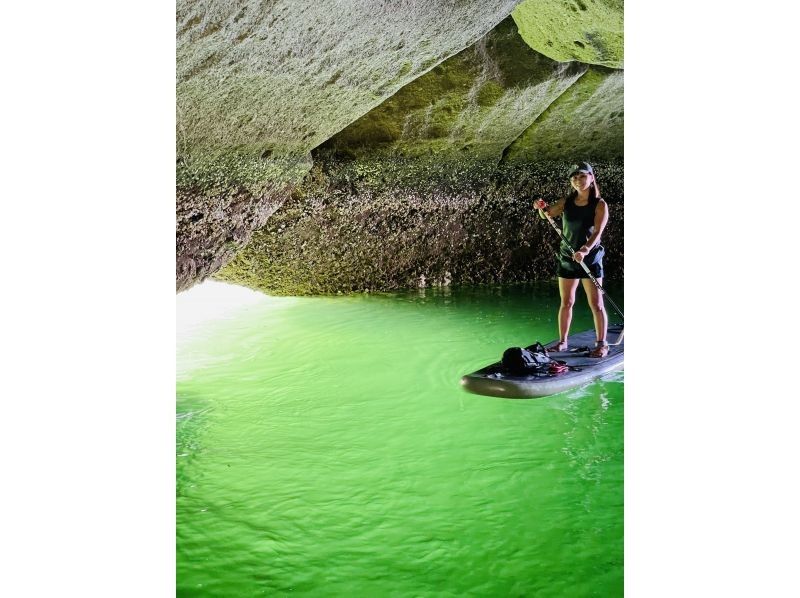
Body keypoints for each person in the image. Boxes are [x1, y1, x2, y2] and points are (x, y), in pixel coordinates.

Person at [534, 162, 610, 358]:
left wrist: (584, 250)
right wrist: (541, 208)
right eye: (574, 177)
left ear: (592, 178)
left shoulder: (599, 204)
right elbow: (547, 215)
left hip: (590, 259)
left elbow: (598, 232)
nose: (578, 180)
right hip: (568, 258)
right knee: (566, 302)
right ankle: (562, 342)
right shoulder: (566, 202)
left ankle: (602, 344)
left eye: (582, 176)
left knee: (597, 304)